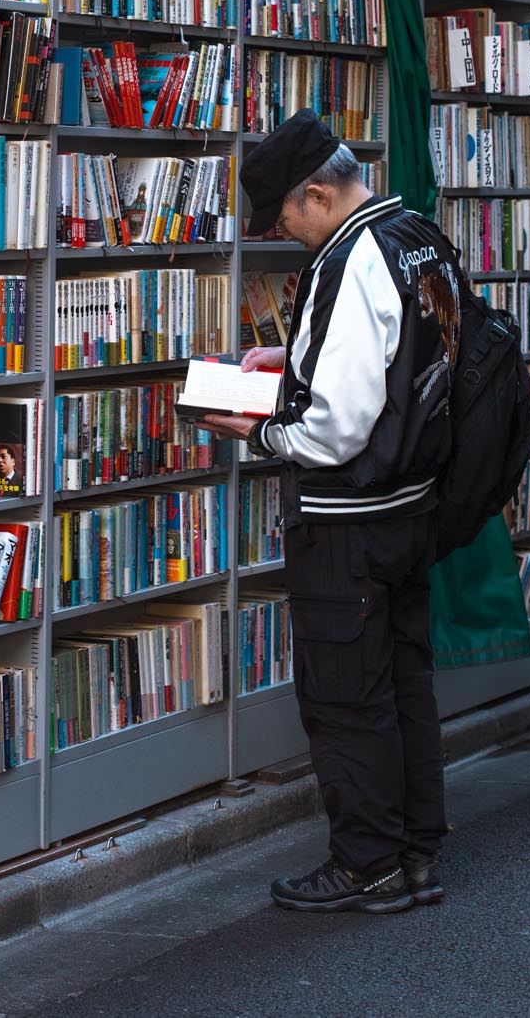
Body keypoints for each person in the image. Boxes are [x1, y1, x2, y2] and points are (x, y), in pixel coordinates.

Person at [200, 109, 466, 915]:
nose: (286, 234)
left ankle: (367, 865)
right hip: (410, 506)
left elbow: (337, 423)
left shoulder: (351, 259)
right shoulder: (415, 232)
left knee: (347, 697)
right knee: (403, 684)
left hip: (348, 518)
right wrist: (294, 360)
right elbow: (400, 356)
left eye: (285, 217)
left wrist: (261, 427)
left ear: (318, 192)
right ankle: (415, 848)